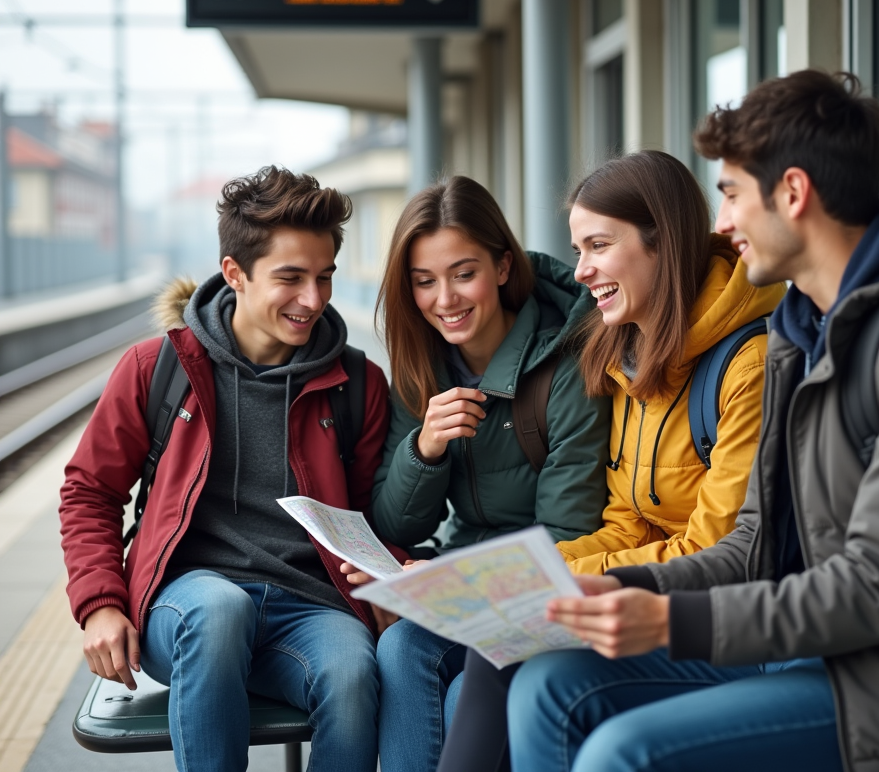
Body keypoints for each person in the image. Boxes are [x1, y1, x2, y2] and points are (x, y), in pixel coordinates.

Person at [504, 70, 879, 772]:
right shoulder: (801, 331)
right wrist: (628, 589)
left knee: (624, 753)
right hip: (806, 653)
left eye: (729, 194)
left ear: (792, 193)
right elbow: (754, 543)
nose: (719, 224)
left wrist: (670, 618)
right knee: (549, 686)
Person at [432, 149, 786, 772]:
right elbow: (627, 523)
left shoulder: (748, 366)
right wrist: (511, 574)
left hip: (722, 621)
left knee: (511, 659)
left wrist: (565, 580)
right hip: (651, 600)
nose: (582, 270)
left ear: (663, 243)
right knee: (494, 646)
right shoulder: (630, 355)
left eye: (598, 245)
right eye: (577, 250)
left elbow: (719, 552)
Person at [59, 166, 392, 772]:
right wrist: (100, 603)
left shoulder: (358, 383)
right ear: (234, 273)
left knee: (352, 672)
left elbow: (375, 509)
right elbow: (89, 489)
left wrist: (385, 579)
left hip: (311, 607)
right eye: (290, 278)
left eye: (324, 278)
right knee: (220, 610)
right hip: (186, 608)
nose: (312, 300)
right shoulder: (157, 369)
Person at [366, 175, 610, 772]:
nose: (444, 299)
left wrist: (447, 581)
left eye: (463, 273)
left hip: (549, 588)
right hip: (469, 572)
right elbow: (395, 519)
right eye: (423, 282)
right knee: (399, 645)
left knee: (453, 694)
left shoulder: (568, 367)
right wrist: (424, 448)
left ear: (503, 267)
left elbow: (569, 535)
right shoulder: (422, 367)